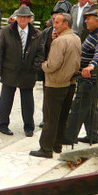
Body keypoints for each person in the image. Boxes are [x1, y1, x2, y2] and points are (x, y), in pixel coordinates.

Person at [29, 13, 81, 158]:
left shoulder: (59, 42)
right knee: (63, 116)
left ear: (66, 24)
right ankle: (57, 145)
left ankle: (46, 149)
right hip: (70, 82)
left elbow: (53, 64)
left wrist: (43, 65)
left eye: (57, 22)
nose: (54, 25)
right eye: (54, 21)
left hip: (56, 83)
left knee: (50, 117)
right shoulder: (76, 38)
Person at [0, 5, 44, 137]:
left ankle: (29, 127)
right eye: (20, 17)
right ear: (16, 18)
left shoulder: (36, 34)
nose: (22, 19)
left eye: (25, 17)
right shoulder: (6, 31)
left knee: (27, 101)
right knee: (5, 99)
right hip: (10, 70)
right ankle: (2, 124)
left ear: (29, 19)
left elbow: (40, 53)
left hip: (27, 72)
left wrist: (34, 67)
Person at [63, 9, 98, 145]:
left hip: (91, 79)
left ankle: (69, 137)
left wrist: (91, 66)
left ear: (97, 21)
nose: (85, 21)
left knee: (78, 107)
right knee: (91, 108)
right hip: (95, 79)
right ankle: (93, 135)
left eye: (88, 18)